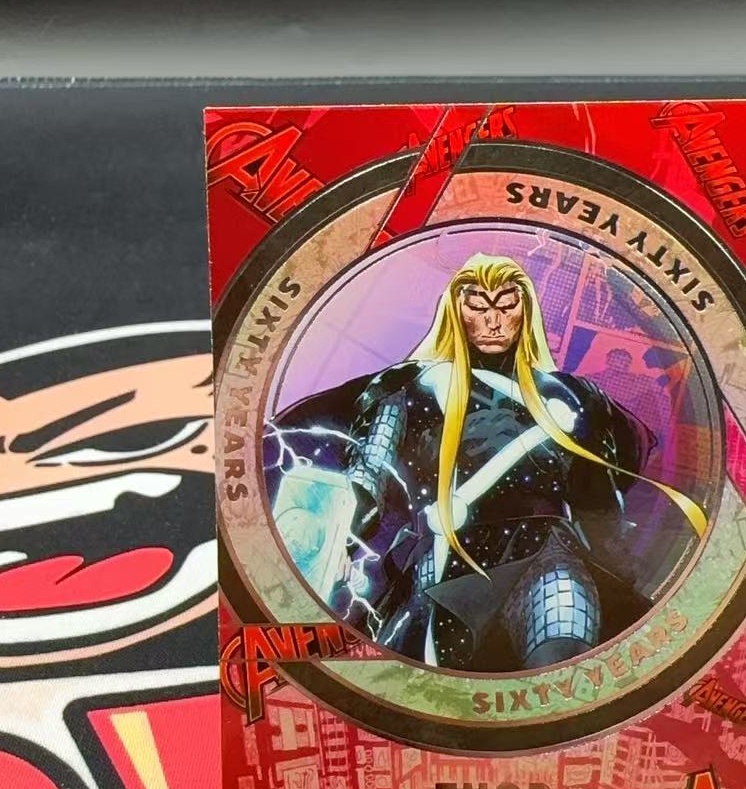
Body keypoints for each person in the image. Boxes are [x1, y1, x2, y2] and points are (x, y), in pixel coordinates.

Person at [272, 254, 705, 672]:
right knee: (440, 689)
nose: (493, 321)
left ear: (525, 311)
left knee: (563, 655)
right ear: (456, 312)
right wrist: (341, 543)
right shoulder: (410, 386)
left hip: (547, 551)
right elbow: (368, 475)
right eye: (478, 307)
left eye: (506, 306)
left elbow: (598, 497)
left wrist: (621, 568)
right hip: (444, 560)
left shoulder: (572, 395)